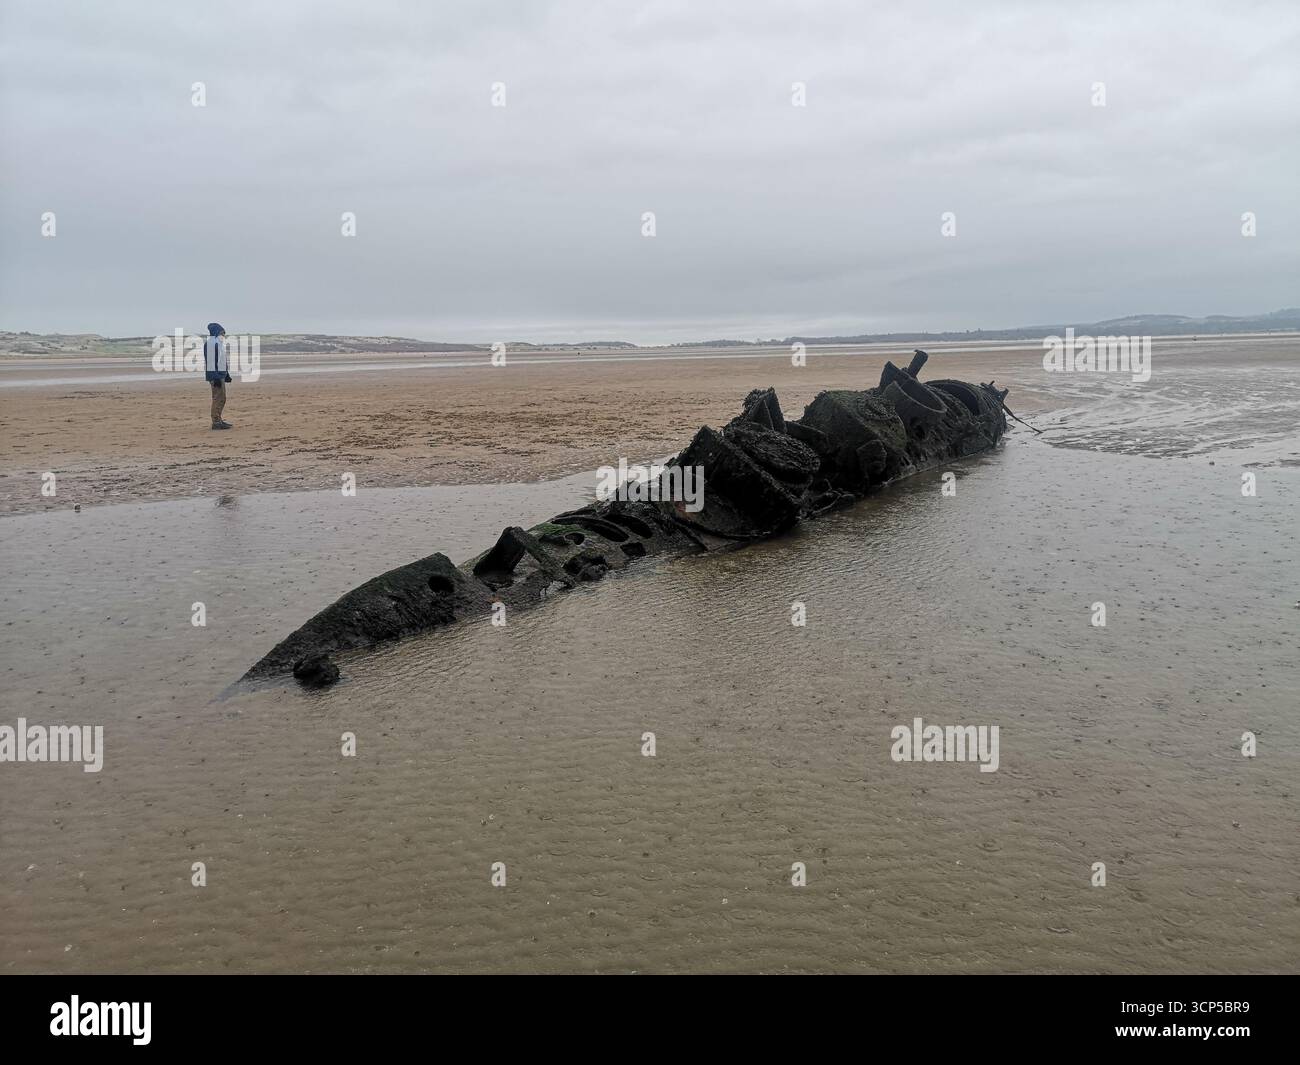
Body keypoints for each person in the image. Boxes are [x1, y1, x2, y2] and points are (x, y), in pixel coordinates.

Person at [204, 322, 233, 429]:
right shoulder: (211, 343)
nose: (223, 336)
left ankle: (218, 419)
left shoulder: (217, 343)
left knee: (222, 398)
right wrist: (215, 377)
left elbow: (221, 361)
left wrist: (226, 375)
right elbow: (211, 362)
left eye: (224, 334)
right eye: (222, 333)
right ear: (216, 333)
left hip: (220, 375)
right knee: (218, 398)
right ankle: (216, 422)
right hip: (215, 376)